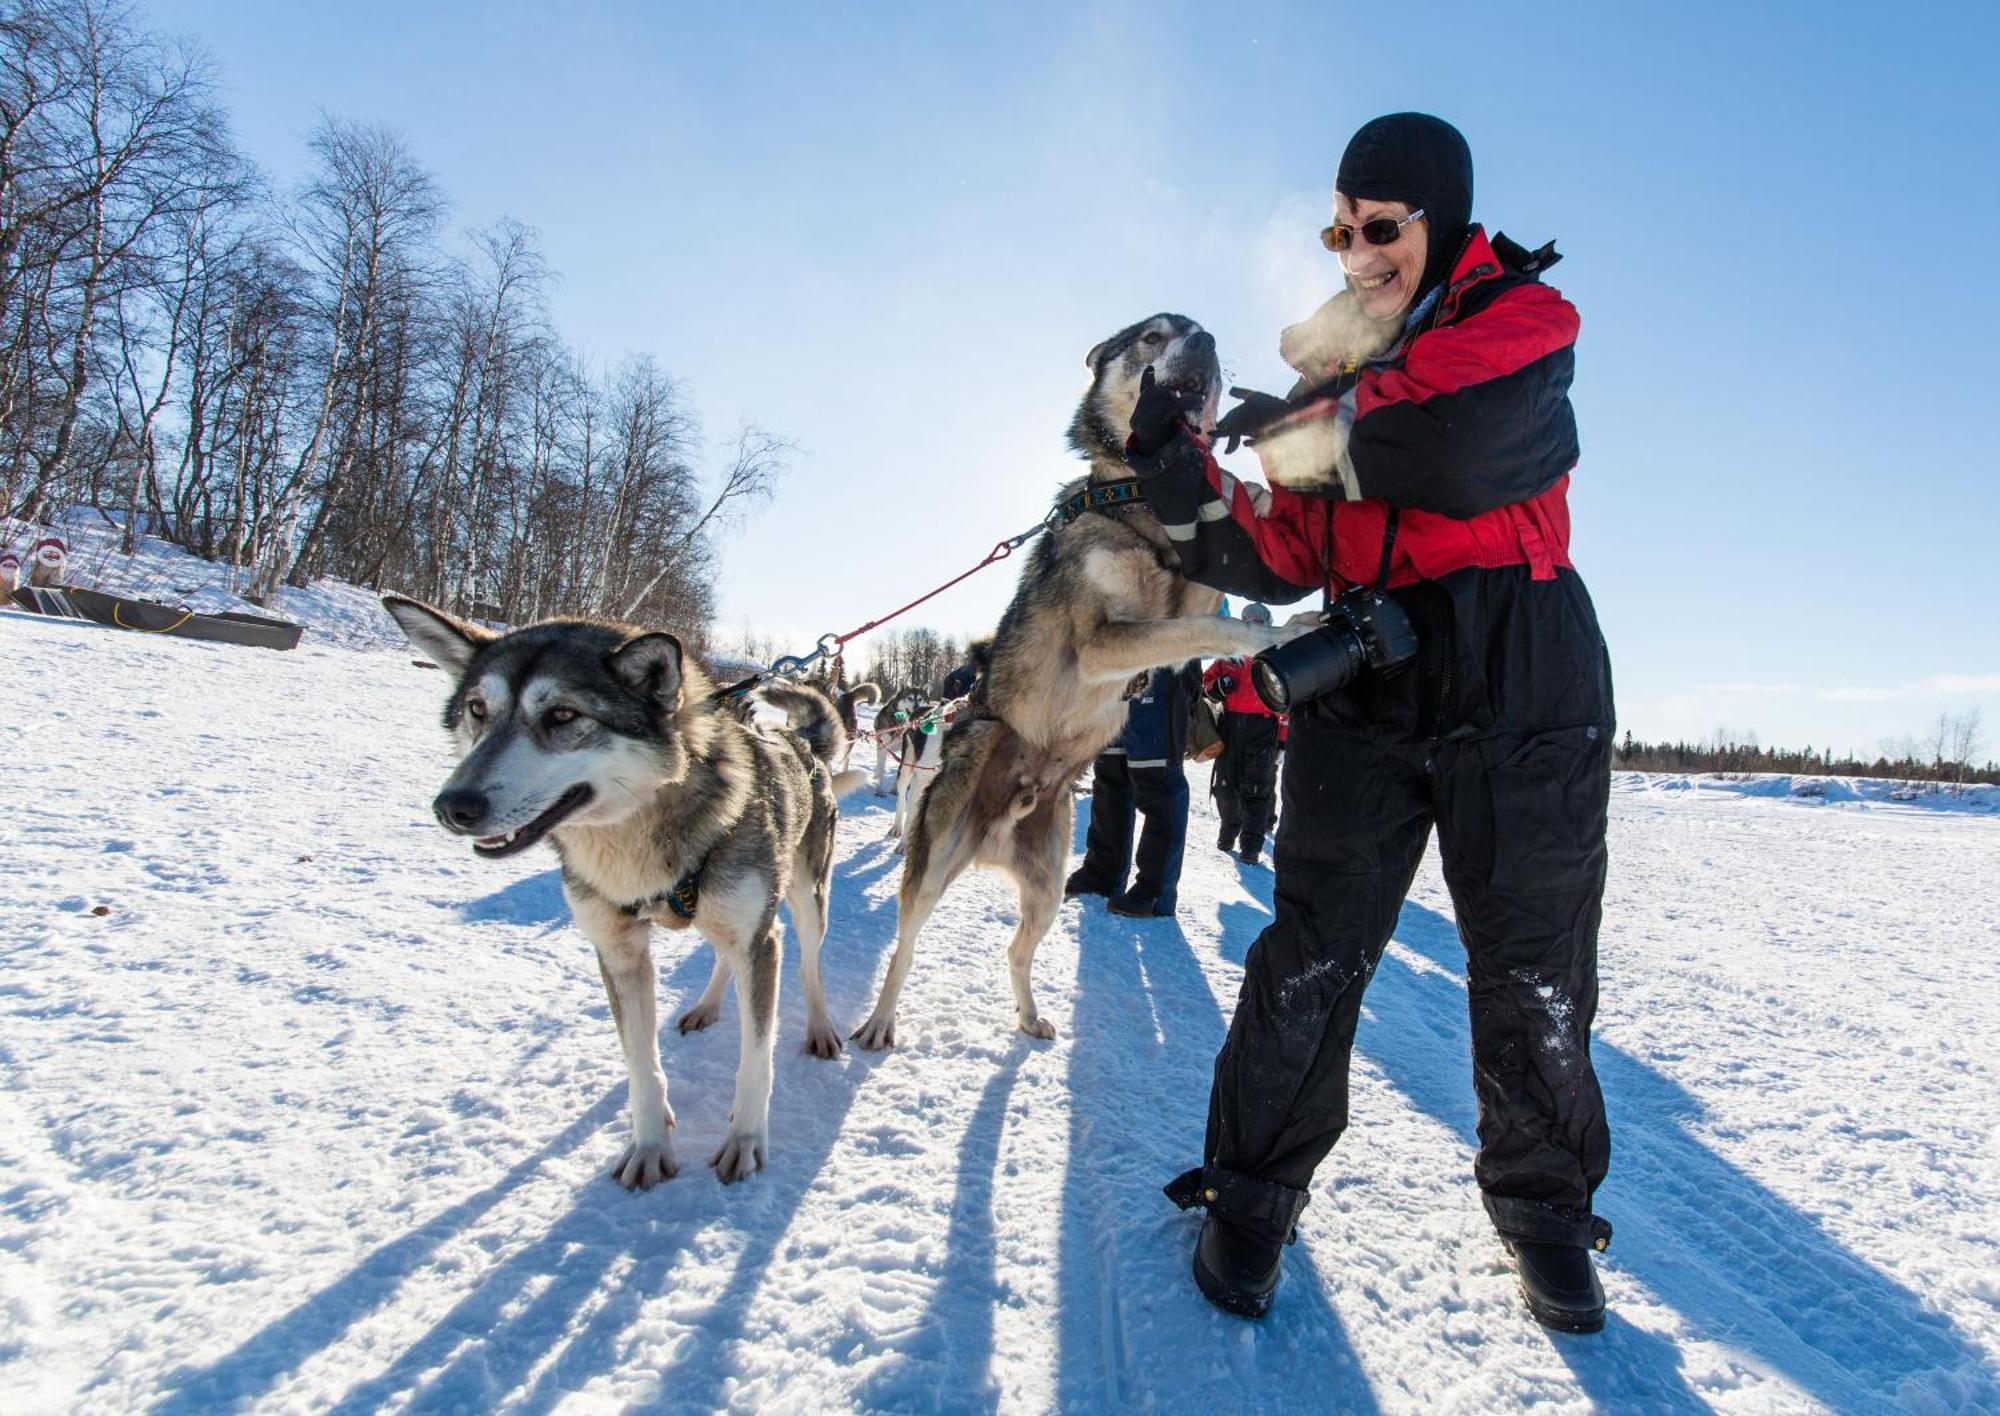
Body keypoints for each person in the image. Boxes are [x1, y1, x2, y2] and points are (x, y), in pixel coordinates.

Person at [1134, 113, 1616, 1331]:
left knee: (1529, 964)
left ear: (1439, 221)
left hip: (1520, 661)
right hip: (1364, 661)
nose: (1356, 250)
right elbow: (1285, 553)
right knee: (1311, 948)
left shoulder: (1520, 324)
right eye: (1339, 228)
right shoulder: (1325, 377)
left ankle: (1544, 1213)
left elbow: (1447, 448)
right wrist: (1185, 482)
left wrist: (1298, 435)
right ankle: (1249, 1196)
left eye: (1381, 227)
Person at [1065, 661, 1201, 918]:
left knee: (1158, 782)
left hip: (1163, 665)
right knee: (1109, 778)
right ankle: (1103, 874)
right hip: (1116, 669)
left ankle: (1155, 891)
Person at [1203, 602, 1285, 866]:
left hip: (1263, 729)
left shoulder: (1276, 653)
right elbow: (1206, 683)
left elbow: (1288, 700)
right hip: (1230, 727)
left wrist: (1282, 742)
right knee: (1225, 786)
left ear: (1267, 623)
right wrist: (1218, 686)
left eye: (1258, 621)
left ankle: (1251, 845)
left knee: (1256, 789)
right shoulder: (1230, 652)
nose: (1252, 625)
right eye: (1247, 620)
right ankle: (1228, 832)